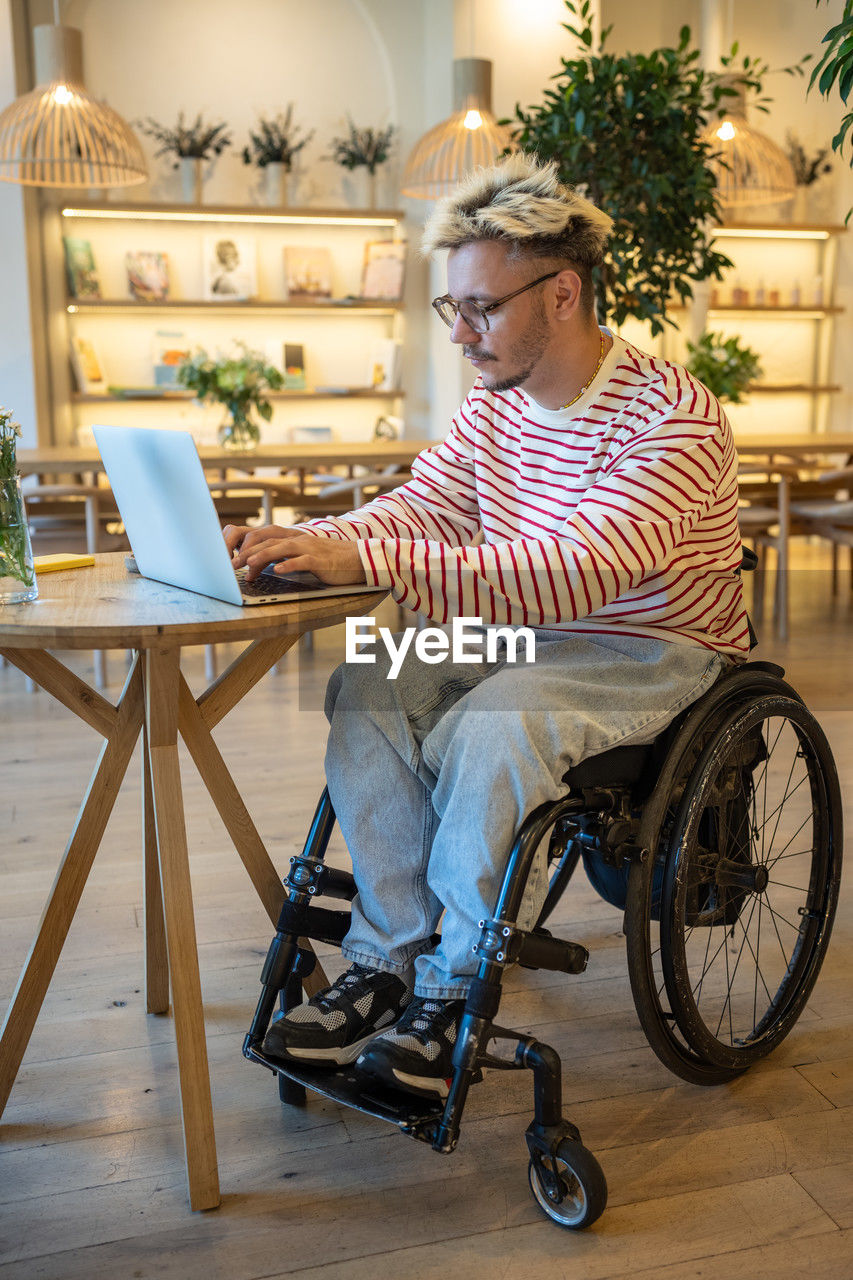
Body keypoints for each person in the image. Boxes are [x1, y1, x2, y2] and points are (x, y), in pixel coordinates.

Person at [223, 152, 749, 1099]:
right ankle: (387, 963)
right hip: (529, 640)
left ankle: (450, 991)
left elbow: (578, 574)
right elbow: (425, 505)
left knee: (490, 722)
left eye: (482, 308)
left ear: (562, 294)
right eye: (451, 308)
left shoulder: (674, 418)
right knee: (370, 678)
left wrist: (370, 561)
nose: (461, 334)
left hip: (649, 647)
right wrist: (313, 538)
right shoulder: (495, 405)